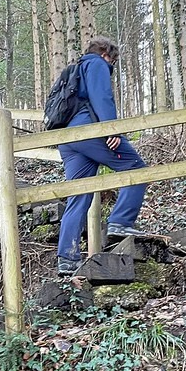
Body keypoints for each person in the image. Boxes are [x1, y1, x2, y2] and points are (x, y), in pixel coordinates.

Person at [56, 36, 148, 276]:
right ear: (107, 54)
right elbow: (101, 97)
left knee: (79, 194)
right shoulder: (95, 64)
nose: (113, 65)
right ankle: (121, 221)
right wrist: (110, 128)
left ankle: (67, 257)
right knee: (137, 169)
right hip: (90, 131)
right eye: (113, 60)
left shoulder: (75, 69)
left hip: (69, 139)